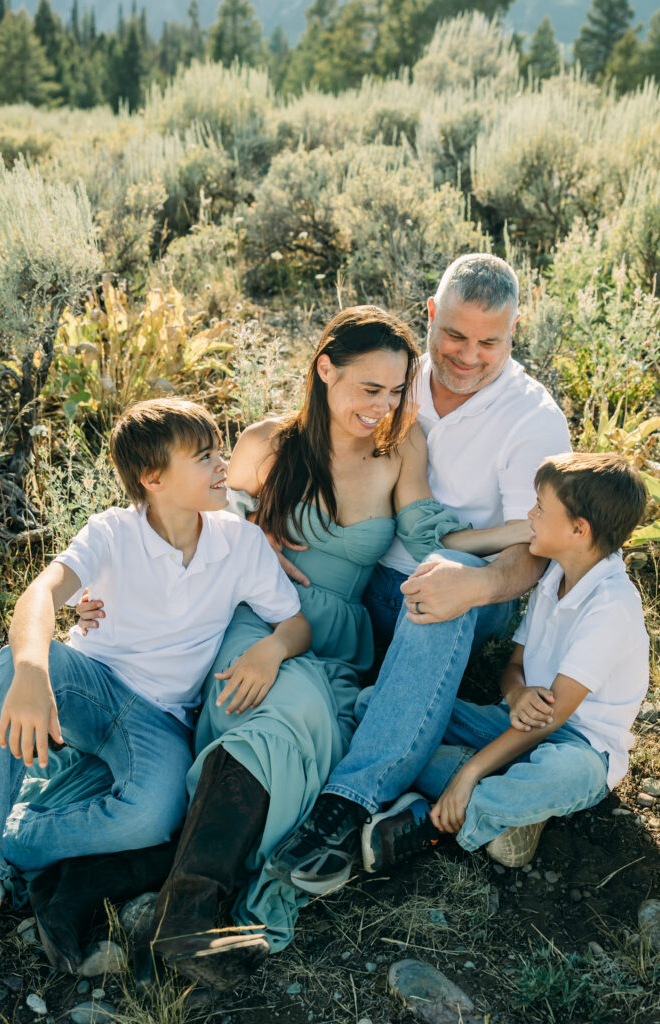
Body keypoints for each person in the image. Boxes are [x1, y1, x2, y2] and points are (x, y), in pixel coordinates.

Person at [22, 305, 529, 986]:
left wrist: (523, 539)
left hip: (332, 635)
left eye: (394, 392)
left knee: (309, 737)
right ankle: (188, 913)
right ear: (324, 370)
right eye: (367, 389)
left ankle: (106, 885)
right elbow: (194, 532)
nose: (381, 407)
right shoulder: (266, 443)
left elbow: (430, 531)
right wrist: (121, 595)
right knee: (284, 720)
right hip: (256, 622)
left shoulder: (399, 447)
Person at [269, 253, 573, 895]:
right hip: (364, 574)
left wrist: (480, 583)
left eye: (490, 342)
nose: (468, 356)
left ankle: (348, 801)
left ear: (515, 331)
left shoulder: (532, 418)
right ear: (431, 315)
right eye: (455, 336)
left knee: (446, 576)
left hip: (475, 590)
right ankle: (443, 765)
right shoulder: (395, 375)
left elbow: (539, 546)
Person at [0, 398, 310, 966]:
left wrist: (272, 650)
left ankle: (19, 843)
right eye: (204, 457)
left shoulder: (241, 542)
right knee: (17, 665)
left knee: (155, 817)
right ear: (153, 478)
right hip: (93, 683)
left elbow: (295, 623)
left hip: (160, 719)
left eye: (219, 451)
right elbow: (39, 594)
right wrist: (33, 673)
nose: (222, 465)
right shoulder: (112, 532)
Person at [361, 453, 649, 872]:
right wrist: (517, 693)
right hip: (512, 723)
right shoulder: (553, 577)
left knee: (563, 773)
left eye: (539, 508)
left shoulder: (612, 606)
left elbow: (552, 720)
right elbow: (513, 668)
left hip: (579, 745)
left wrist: (469, 772)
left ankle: (443, 814)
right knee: (376, 705)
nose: (528, 515)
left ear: (578, 530)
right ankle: (507, 814)